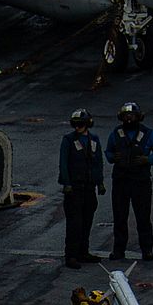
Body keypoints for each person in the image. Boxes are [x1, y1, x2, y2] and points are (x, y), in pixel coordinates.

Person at [104, 102, 153, 260]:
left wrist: (148, 159)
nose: (129, 118)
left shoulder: (148, 134)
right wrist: (112, 157)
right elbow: (108, 151)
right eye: (126, 116)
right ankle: (118, 250)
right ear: (121, 117)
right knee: (119, 216)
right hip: (121, 180)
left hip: (140, 180)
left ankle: (147, 250)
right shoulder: (116, 133)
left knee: (143, 216)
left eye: (131, 115)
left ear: (138, 117)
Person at [59, 108, 105, 269]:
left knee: (87, 221)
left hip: (89, 187)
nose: (78, 127)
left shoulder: (94, 140)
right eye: (76, 124)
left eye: (81, 124)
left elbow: (98, 162)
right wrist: (67, 183)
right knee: (74, 223)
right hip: (75, 187)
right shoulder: (68, 140)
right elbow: (63, 163)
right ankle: (71, 255)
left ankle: (83, 252)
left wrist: (100, 182)